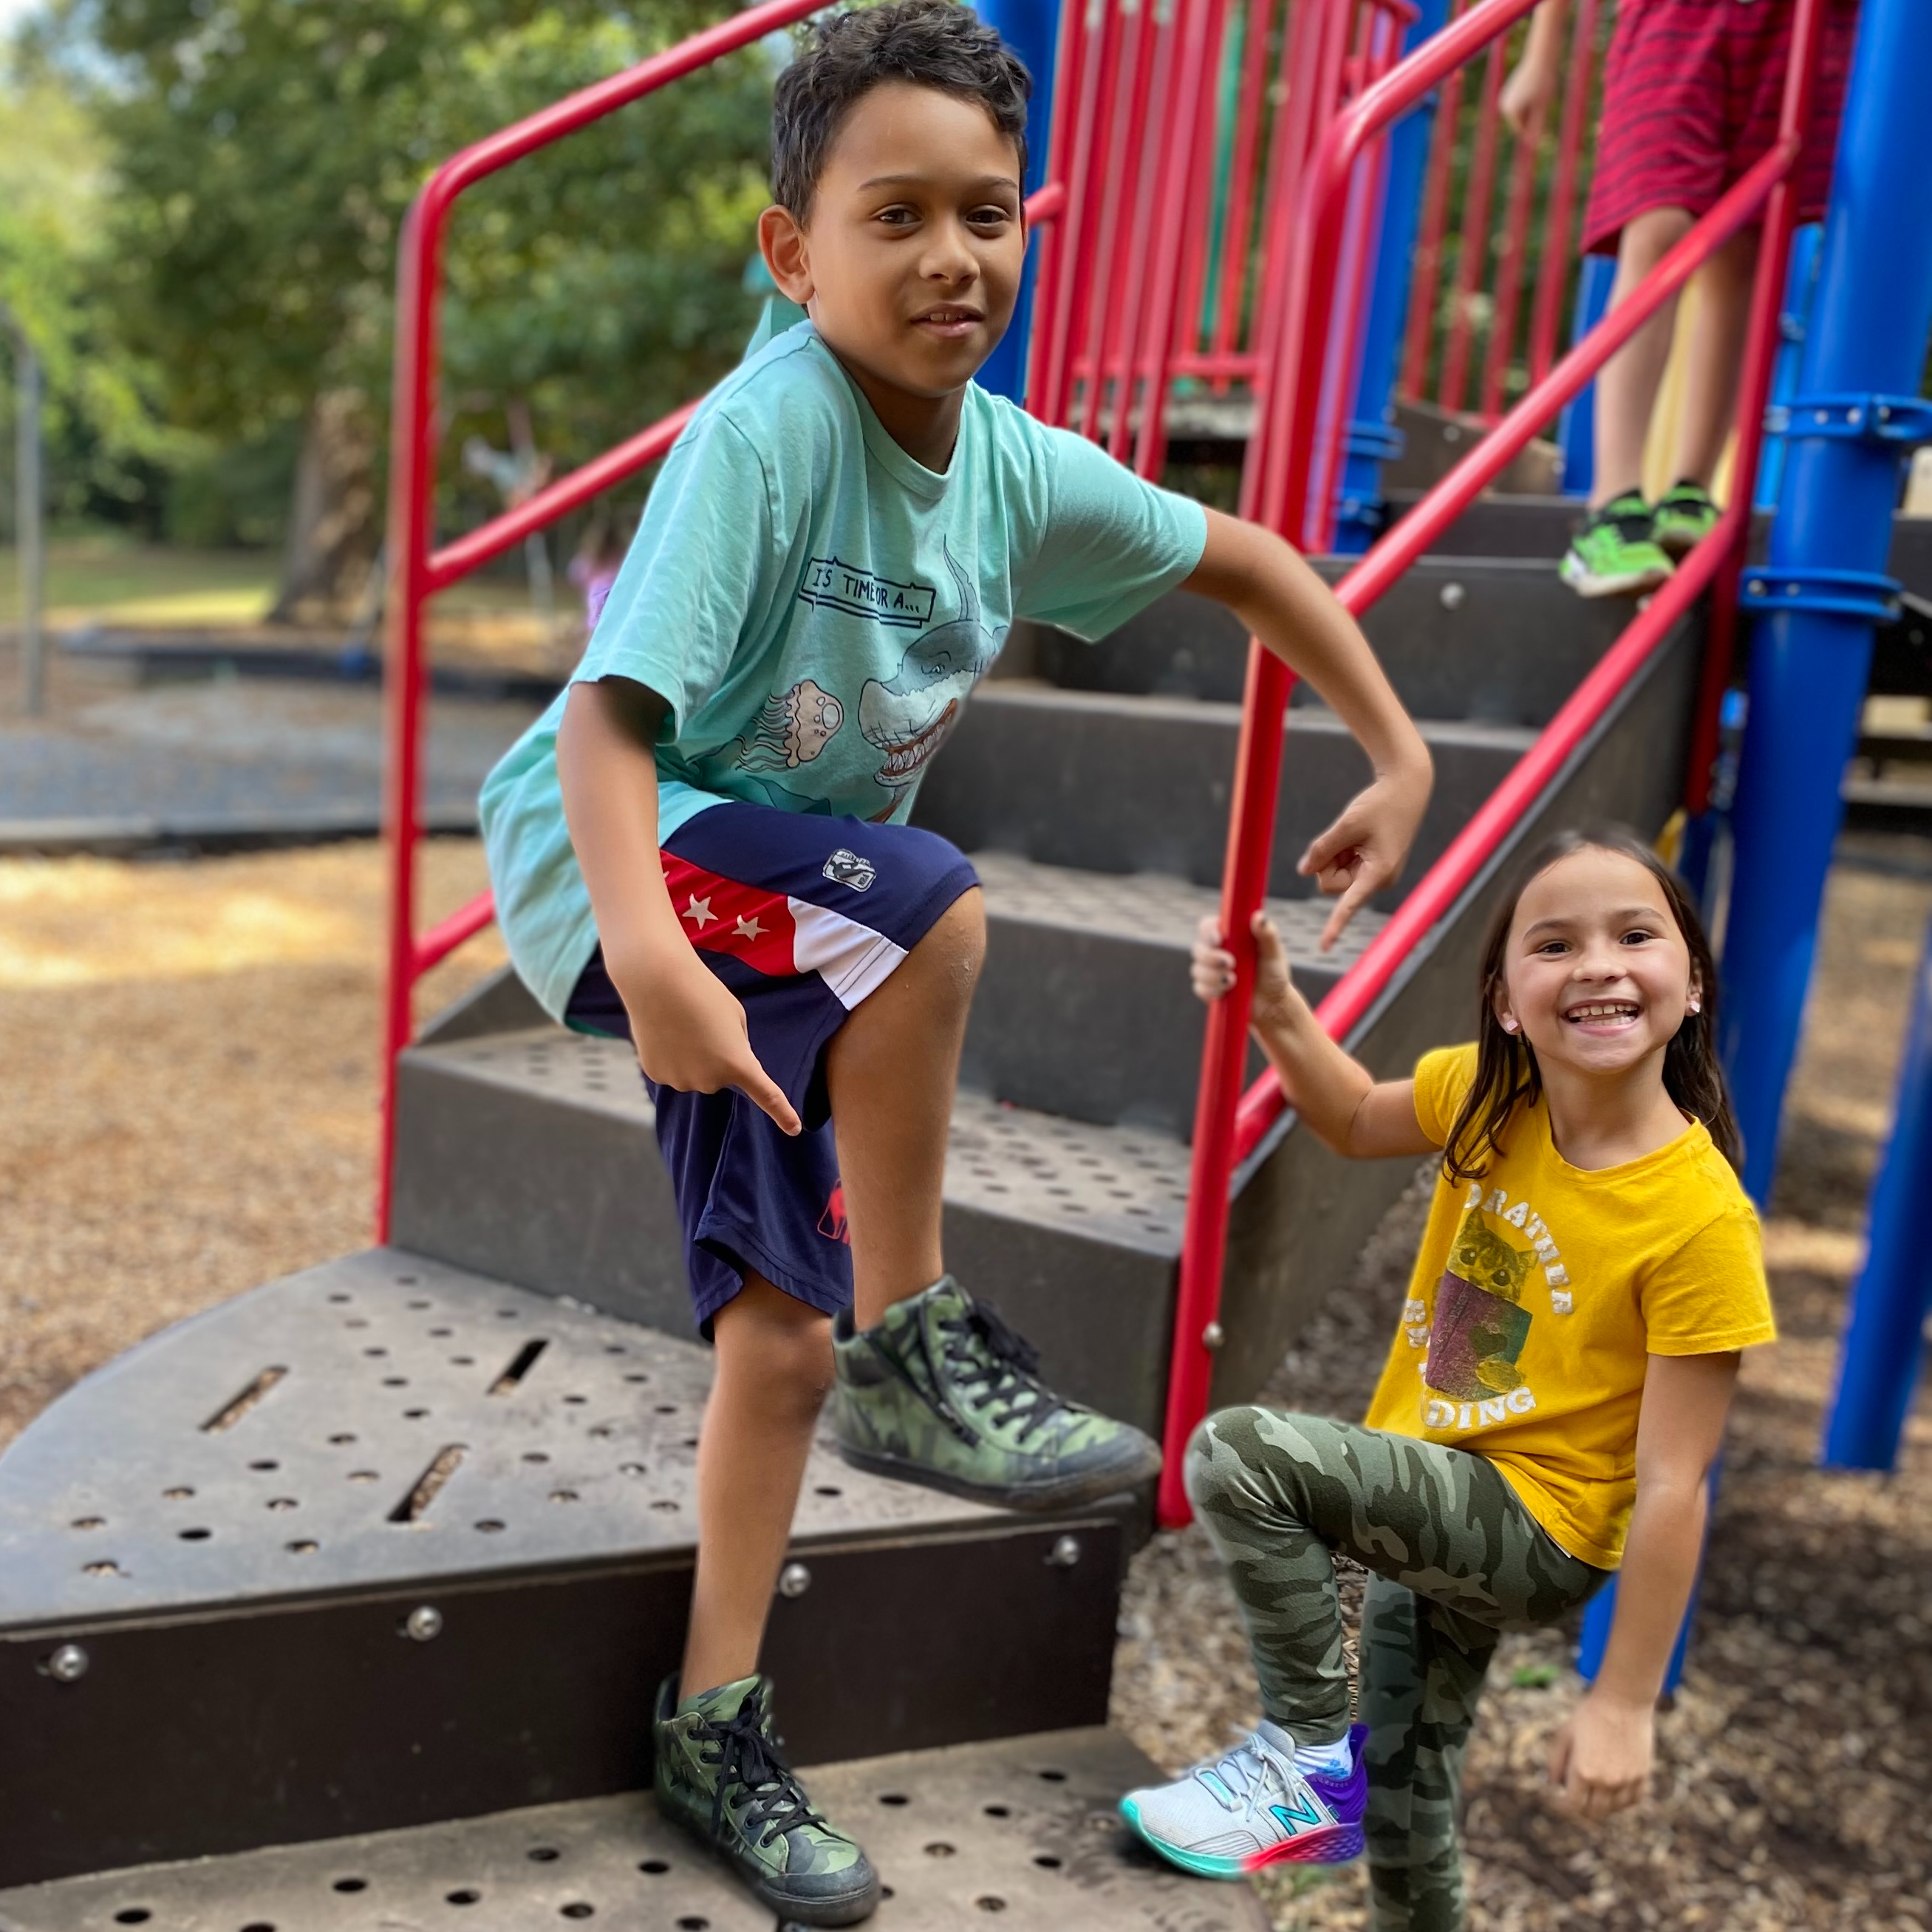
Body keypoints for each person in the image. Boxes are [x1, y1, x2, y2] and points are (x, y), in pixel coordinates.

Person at [477, 3, 1434, 1921]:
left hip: (779, 916)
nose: (947, 257)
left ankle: (712, 1706)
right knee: (929, 894)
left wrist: (1396, 749)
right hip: (627, 878)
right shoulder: (765, 434)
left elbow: (1247, 561)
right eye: (891, 213)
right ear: (790, 248)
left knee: (772, 1341)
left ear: (1027, 228)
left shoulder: (1006, 468)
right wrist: (655, 956)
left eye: (984, 215)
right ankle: (923, 1331)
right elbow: (601, 727)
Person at [1125, 825, 1773, 1931]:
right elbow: (1345, 1114)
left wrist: (1619, 1700)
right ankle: (1357, 1809)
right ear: (1507, 998)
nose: (1599, 964)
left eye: (1634, 934)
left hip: (1538, 1527)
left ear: (1692, 980)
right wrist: (1276, 1004)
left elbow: (1672, 1482)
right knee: (1406, 1795)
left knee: (1242, 1455)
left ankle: (1299, 1764)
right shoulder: (1491, 1094)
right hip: (1442, 1491)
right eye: (1554, 942)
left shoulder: (1699, 1217)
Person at [1501, 0, 1861, 598]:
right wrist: (1541, 56)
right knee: (1657, 222)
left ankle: (1691, 486)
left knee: (1743, 246)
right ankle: (1611, 503)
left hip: (1793, 27)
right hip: (1674, 18)